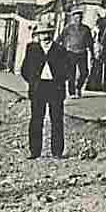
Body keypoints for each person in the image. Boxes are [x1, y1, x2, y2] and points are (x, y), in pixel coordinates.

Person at [20, 21, 69, 159]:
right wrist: (33, 82)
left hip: (55, 88)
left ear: (51, 34)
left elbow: (68, 70)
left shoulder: (60, 50)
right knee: (36, 119)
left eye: (47, 33)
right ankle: (35, 152)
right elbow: (25, 69)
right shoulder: (31, 49)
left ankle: (57, 152)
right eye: (42, 33)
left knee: (57, 120)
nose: (45, 36)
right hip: (38, 88)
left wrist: (59, 81)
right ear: (38, 35)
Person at [58, 7, 94, 99]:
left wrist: (92, 54)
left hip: (82, 53)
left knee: (84, 72)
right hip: (70, 53)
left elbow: (90, 42)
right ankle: (72, 92)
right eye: (76, 18)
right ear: (73, 18)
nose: (78, 19)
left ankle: (78, 87)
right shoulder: (68, 28)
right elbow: (60, 39)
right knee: (71, 74)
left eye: (80, 18)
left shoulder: (86, 29)